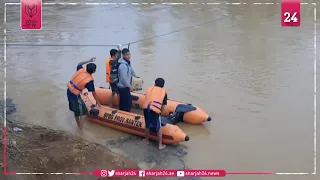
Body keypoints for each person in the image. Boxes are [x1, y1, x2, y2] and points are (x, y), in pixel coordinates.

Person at [67, 57, 101, 132]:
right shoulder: (89, 81)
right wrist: (98, 103)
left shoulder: (81, 70)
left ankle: (78, 126)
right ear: (94, 71)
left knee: (76, 111)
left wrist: (89, 60)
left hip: (69, 91)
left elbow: (79, 64)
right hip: (74, 95)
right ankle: (80, 129)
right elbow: (93, 93)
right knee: (84, 113)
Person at [142, 78, 167, 150]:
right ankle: (160, 145)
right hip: (155, 110)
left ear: (155, 84)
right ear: (163, 85)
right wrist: (161, 113)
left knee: (147, 124)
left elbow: (146, 98)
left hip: (146, 108)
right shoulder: (163, 92)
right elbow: (163, 105)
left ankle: (146, 140)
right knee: (158, 127)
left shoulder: (150, 89)